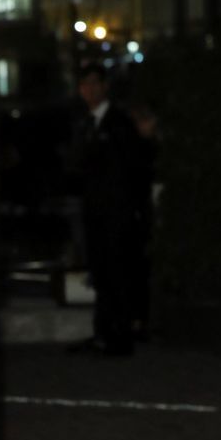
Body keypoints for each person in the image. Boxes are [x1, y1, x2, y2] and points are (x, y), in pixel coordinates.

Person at [71, 63, 150, 356]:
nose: (89, 90)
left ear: (105, 87)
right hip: (95, 211)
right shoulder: (86, 123)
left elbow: (131, 168)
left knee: (117, 271)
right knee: (101, 272)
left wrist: (131, 208)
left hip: (116, 212)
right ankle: (103, 333)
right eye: (84, 85)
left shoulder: (118, 123)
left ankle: (119, 335)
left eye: (94, 84)